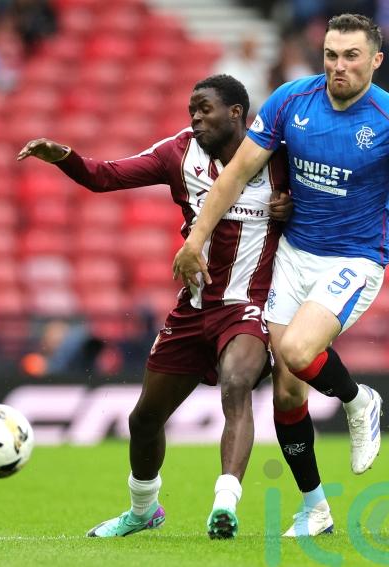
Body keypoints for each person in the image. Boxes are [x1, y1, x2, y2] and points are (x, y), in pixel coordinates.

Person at [174, 13, 389, 537]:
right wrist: (196, 239)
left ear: (375, 60)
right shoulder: (290, 102)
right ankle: (315, 508)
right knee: (287, 395)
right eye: (330, 54)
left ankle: (359, 399)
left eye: (351, 56)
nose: (338, 66)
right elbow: (235, 173)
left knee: (299, 352)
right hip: (293, 256)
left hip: (354, 260)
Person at [17, 74, 292, 539]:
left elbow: (323, 207)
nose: (196, 117)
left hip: (249, 304)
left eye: (205, 108)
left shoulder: (278, 156)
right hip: (195, 306)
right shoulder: (178, 153)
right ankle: (144, 511)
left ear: (236, 113)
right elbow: (106, 177)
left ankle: (225, 501)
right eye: (191, 110)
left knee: (236, 384)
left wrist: (293, 208)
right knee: (143, 419)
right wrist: (65, 157)